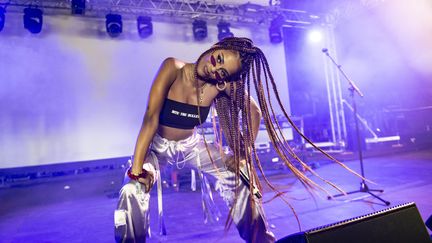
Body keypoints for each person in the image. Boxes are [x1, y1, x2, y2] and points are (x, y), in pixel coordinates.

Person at [114, 37, 361, 243]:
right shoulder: (172, 68)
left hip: (191, 146)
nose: (214, 69)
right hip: (157, 147)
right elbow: (150, 118)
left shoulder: (218, 85)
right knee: (131, 189)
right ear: (215, 47)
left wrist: (243, 154)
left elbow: (254, 112)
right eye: (218, 59)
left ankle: (259, 237)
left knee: (243, 174)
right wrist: (137, 171)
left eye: (222, 72)